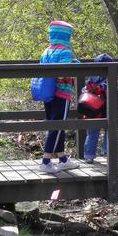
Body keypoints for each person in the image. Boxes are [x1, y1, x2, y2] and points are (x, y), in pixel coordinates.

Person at [38, 20, 80, 174]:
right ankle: (46, 161)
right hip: (61, 94)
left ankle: (62, 159)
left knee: (55, 125)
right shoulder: (65, 52)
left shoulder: (46, 51)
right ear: (65, 36)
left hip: (48, 95)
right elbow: (63, 75)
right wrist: (74, 67)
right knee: (56, 127)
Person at [83, 53, 118, 163]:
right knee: (110, 130)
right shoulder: (110, 76)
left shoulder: (91, 78)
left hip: (92, 108)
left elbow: (86, 90)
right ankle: (106, 151)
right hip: (106, 108)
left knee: (92, 133)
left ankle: (88, 155)